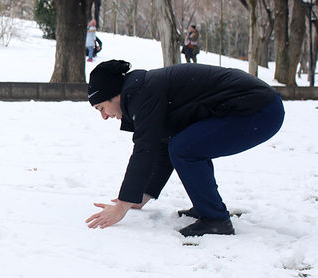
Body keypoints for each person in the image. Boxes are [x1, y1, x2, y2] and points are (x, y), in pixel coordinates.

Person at [84, 59, 285, 237]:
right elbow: (162, 145)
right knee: (184, 145)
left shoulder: (142, 94)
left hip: (260, 109)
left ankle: (215, 219)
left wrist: (122, 206)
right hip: (258, 107)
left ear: (114, 95)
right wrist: (143, 195)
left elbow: (145, 149)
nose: (104, 116)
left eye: (101, 108)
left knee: (184, 148)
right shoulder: (141, 90)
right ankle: (206, 206)